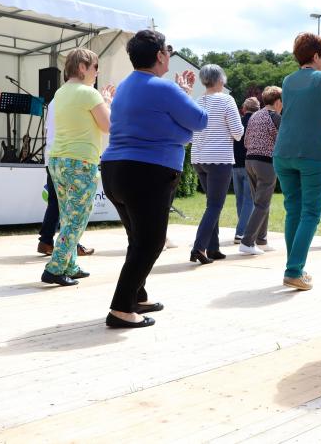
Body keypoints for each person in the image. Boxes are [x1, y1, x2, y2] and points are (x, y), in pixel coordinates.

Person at [101, 30, 206, 328]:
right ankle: (121, 308)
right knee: (150, 242)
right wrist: (184, 97)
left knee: (138, 239)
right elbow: (199, 121)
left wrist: (179, 131)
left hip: (114, 171)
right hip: (148, 173)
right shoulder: (164, 89)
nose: (169, 56)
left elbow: (155, 127)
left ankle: (137, 295)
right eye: (168, 52)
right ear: (160, 55)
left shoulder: (124, 87)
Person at [40, 48, 114, 286]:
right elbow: (108, 126)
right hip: (81, 162)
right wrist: (108, 102)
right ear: (82, 67)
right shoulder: (89, 94)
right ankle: (55, 267)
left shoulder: (60, 93)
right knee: (76, 219)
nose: (97, 72)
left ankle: (70, 264)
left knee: (67, 215)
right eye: (95, 67)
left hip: (57, 160)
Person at [274, 33, 321, 290]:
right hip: (312, 152)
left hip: (283, 151)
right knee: (311, 212)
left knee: (294, 210)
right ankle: (293, 270)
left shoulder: (288, 80)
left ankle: (296, 268)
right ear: (315, 56)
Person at [190, 64, 244, 265]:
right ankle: (199, 247)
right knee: (215, 204)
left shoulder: (197, 101)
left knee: (211, 204)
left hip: (198, 157)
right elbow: (238, 132)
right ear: (220, 79)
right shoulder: (226, 100)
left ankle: (213, 247)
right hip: (219, 158)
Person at [36, 99, 94, 258]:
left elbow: (50, 128)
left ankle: (46, 240)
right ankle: (70, 245)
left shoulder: (56, 100)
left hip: (52, 157)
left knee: (56, 202)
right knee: (71, 205)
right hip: (66, 157)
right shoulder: (75, 98)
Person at [239, 86, 283, 255]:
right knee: (262, 203)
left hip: (249, 160)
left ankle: (261, 239)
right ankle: (247, 242)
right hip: (266, 162)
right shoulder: (276, 117)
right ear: (278, 101)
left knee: (261, 202)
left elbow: (246, 140)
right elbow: (282, 141)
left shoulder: (255, 115)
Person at [232, 97, 260, 244]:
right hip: (248, 164)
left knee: (240, 200)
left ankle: (241, 227)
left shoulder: (238, 122)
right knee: (249, 200)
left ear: (244, 109)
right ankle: (241, 232)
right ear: (258, 108)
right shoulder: (256, 123)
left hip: (234, 165)